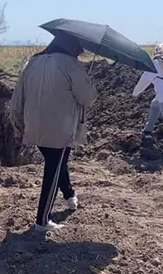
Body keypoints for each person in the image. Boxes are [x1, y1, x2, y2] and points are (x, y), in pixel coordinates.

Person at [9, 34, 98, 233]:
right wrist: (89, 82)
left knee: (57, 163)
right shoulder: (69, 64)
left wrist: (18, 126)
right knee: (54, 169)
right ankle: (42, 220)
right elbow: (88, 98)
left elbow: (17, 98)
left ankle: (69, 196)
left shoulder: (32, 61)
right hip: (60, 128)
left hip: (33, 126)